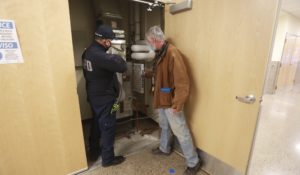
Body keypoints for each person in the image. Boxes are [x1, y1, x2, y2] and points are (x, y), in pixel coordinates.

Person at [145, 26, 202, 175]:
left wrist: (178, 104)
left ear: (156, 40)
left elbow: (182, 82)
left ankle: (193, 162)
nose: (149, 43)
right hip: (162, 97)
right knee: (164, 125)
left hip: (171, 100)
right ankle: (164, 148)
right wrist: (150, 73)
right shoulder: (160, 53)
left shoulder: (172, 53)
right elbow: (163, 75)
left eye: (150, 41)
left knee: (181, 131)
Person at [82, 25, 127, 167]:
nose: (111, 43)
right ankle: (108, 159)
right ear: (105, 41)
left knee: (96, 123)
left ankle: (94, 151)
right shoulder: (101, 56)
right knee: (109, 125)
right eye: (110, 41)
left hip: (94, 97)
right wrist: (115, 56)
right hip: (107, 100)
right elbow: (122, 66)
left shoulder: (87, 52)